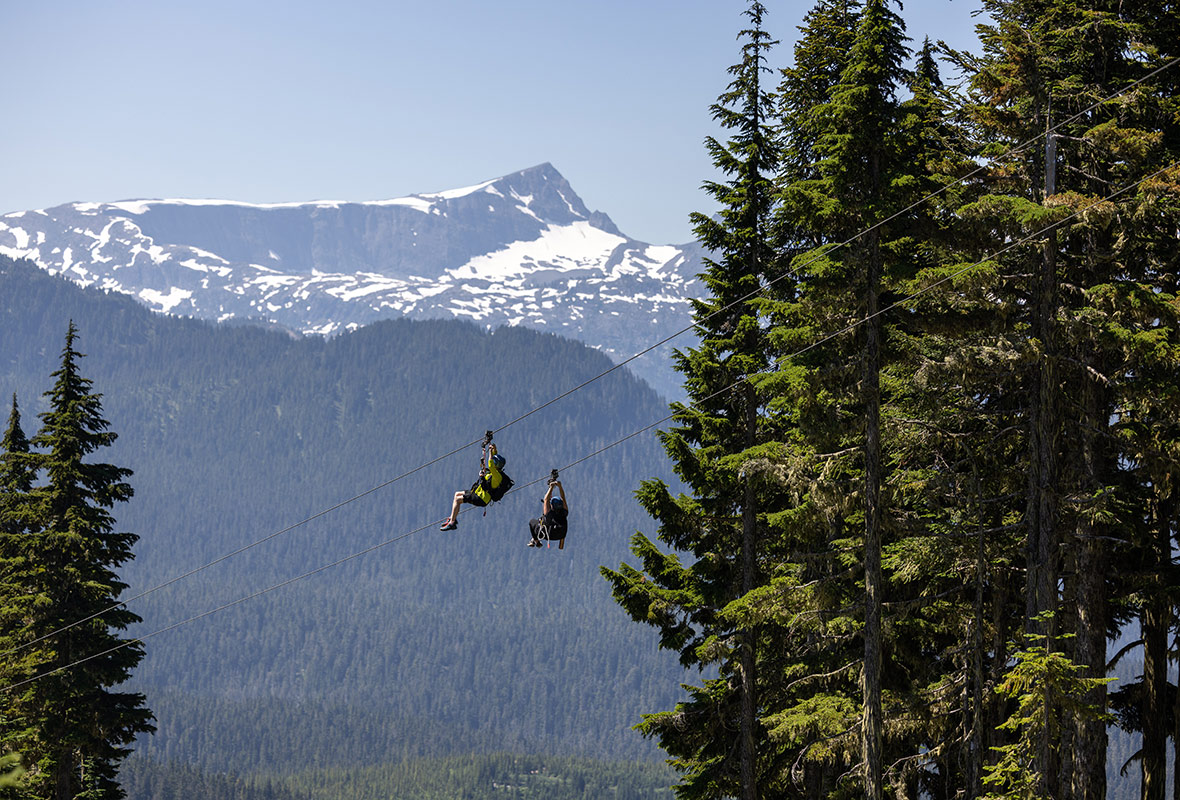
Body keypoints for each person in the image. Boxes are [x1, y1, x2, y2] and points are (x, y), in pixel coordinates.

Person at [440, 434, 509, 531]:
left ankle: (452, 523)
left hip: (481, 498)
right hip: (478, 492)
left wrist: (490, 453)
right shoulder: (497, 472)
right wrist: (494, 449)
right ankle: (452, 518)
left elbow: (491, 463)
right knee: (456, 494)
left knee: (458, 500)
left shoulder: (497, 475)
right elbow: (494, 462)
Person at [528, 477, 568, 549]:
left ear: (552, 505)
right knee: (543, 520)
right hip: (560, 535)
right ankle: (536, 540)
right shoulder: (564, 512)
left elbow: (546, 499)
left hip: (547, 535)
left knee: (532, 522)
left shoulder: (549, 514)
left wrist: (551, 488)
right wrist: (560, 486)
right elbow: (563, 497)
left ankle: (536, 541)